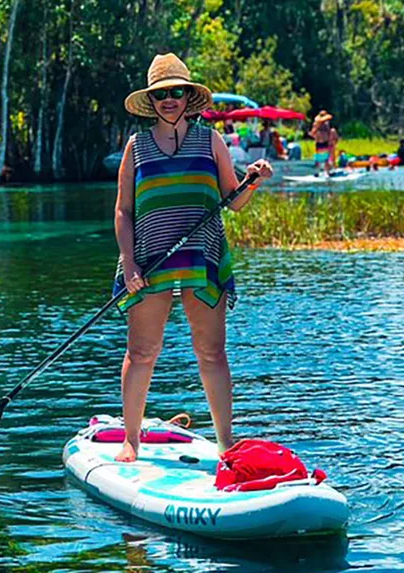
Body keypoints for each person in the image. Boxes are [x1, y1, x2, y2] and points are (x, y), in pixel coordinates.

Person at [115, 53, 273, 463]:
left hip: (202, 256)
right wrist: (129, 263)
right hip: (149, 260)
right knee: (142, 351)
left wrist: (252, 182)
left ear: (189, 97)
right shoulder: (136, 146)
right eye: (162, 94)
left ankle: (226, 444)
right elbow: (124, 211)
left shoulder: (211, 141)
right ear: (152, 100)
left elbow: (233, 201)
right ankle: (131, 440)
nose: (170, 100)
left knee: (212, 352)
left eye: (177, 92)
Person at [309, 110, 334, 175]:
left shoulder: (326, 124)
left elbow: (328, 132)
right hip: (319, 142)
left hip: (325, 141)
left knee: (326, 158)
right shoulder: (316, 124)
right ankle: (317, 172)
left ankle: (327, 172)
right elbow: (313, 132)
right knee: (318, 157)